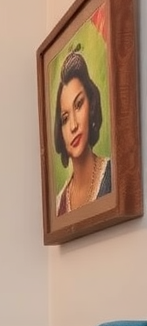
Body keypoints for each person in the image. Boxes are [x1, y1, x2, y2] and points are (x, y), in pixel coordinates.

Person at [53, 50, 112, 216]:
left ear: (91, 105)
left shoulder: (113, 175)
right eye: (65, 119)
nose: (73, 125)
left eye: (78, 105)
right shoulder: (59, 205)